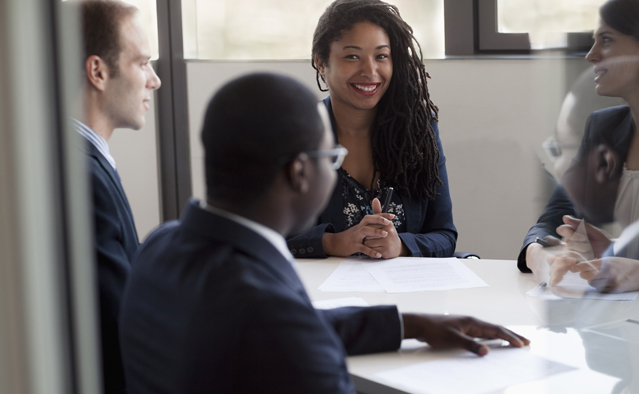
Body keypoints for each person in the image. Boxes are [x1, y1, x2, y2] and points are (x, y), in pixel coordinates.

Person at [119, 73, 529, 393]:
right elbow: (284, 330)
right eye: (331, 158)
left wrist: (414, 325)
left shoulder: (159, 245)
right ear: (299, 172)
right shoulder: (268, 315)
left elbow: (293, 325)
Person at [519, 0, 639, 292]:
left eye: (606, 40)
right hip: (624, 320)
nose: (591, 56)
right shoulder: (603, 128)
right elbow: (553, 220)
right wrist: (541, 256)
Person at [287, 0, 457, 260]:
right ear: (321, 63)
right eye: (352, 56)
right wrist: (332, 243)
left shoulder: (418, 132)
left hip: (406, 294)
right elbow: (269, 235)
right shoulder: (296, 135)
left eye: (381, 56)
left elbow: (444, 235)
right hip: (323, 294)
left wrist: (399, 245)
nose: (370, 71)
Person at [74, 1, 161, 392]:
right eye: (143, 63)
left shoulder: (88, 160)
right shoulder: (83, 177)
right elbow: (118, 325)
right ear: (98, 71)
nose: (154, 80)